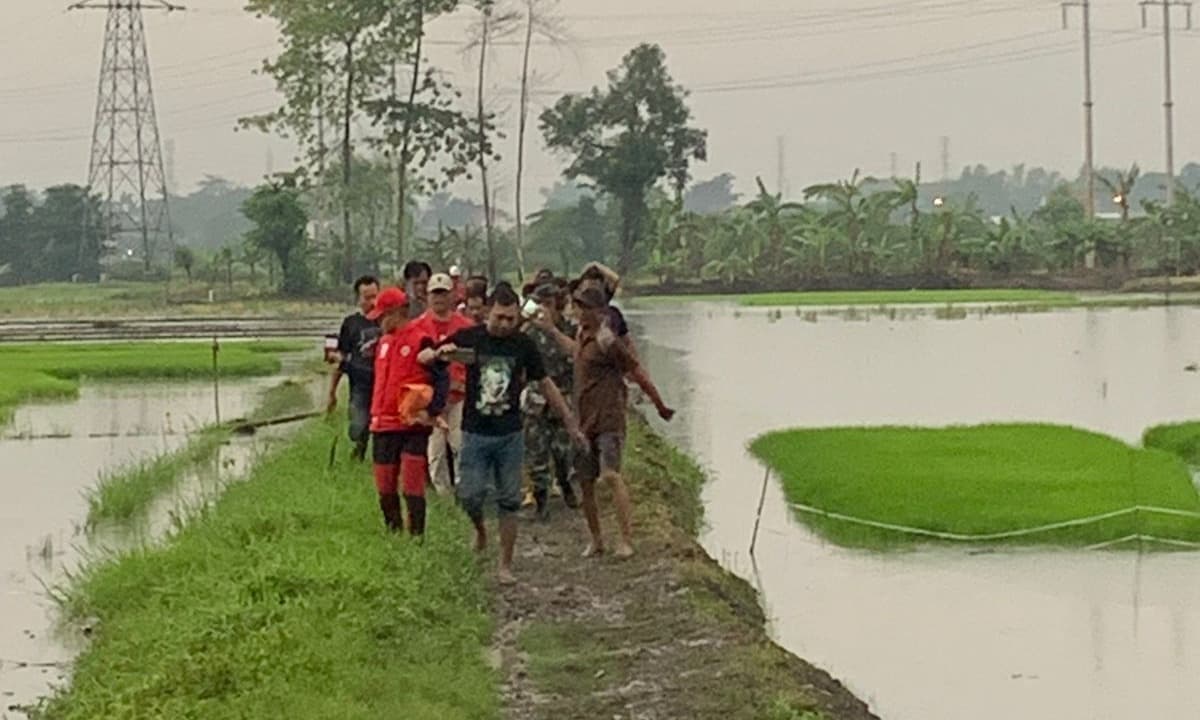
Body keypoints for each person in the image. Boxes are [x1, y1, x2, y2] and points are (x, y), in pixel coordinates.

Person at [425, 284, 584, 585]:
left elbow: (547, 384)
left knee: (509, 501)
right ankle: (481, 531)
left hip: (509, 435)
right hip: (474, 433)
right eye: (499, 317)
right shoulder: (471, 338)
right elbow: (432, 356)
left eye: (511, 319)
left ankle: (505, 565)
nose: (505, 324)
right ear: (487, 311)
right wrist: (439, 353)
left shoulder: (522, 345)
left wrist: (570, 422)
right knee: (470, 496)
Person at [571, 286, 675, 560]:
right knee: (585, 481)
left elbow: (635, 370)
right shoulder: (581, 336)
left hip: (609, 417)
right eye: (577, 307)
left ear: (599, 311)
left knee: (611, 475)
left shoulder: (608, 342)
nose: (579, 312)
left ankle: (626, 540)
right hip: (584, 419)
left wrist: (659, 403)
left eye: (584, 307)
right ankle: (596, 540)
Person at [369, 287, 446, 536]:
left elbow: (441, 378)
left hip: (412, 424)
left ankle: (417, 538)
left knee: (412, 483)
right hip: (382, 424)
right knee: (385, 485)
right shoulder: (383, 342)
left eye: (384, 316)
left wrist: (433, 411)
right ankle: (394, 533)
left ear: (399, 312)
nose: (381, 322)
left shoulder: (421, 340)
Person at [523, 281, 580, 519]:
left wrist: (552, 331)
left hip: (563, 399)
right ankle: (541, 501)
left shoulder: (570, 329)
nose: (543, 310)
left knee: (563, 453)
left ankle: (565, 483)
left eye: (548, 305)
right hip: (536, 401)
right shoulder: (528, 333)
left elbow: (578, 354)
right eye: (540, 304)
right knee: (536, 454)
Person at [416, 273, 475, 494]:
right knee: (436, 453)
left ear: (452, 295)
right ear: (428, 296)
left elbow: (474, 361)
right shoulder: (418, 327)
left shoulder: (466, 327)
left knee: (461, 446)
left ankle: (465, 492)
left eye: (443, 293)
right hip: (432, 400)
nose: (439, 298)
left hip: (459, 397)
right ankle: (443, 497)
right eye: (435, 293)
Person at [328, 275, 381, 461]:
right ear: (358, 299)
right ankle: (359, 449)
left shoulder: (386, 320)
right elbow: (340, 357)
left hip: (382, 383)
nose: (372, 302)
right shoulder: (351, 323)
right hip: (359, 384)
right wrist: (332, 391)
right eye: (367, 297)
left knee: (382, 426)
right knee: (357, 427)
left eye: (375, 296)